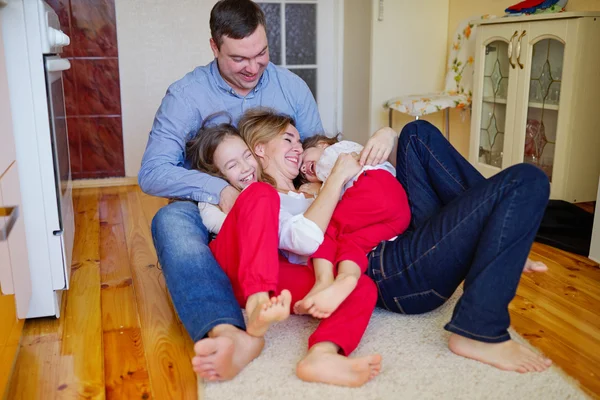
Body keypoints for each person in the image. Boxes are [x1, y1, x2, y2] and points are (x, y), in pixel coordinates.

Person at [139, 0, 394, 382]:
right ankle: (229, 330)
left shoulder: (290, 86)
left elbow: (314, 147)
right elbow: (152, 172)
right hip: (219, 215)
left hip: (285, 214)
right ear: (214, 47)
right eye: (240, 59)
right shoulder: (186, 95)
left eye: (262, 53)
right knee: (171, 219)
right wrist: (219, 189)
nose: (254, 67)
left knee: (357, 281)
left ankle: (323, 354)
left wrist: (318, 184)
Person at [185, 109, 382, 387]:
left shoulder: (315, 190)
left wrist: (387, 133)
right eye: (288, 140)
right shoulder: (253, 192)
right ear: (261, 149)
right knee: (260, 193)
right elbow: (303, 239)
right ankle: (257, 303)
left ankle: (322, 355)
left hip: (278, 273)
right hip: (239, 267)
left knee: (362, 286)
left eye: (299, 141)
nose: (298, 148)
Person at [292, 135, 411, 319]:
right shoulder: (361, 157)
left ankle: (323, 282)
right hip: (399, 211)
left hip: (371, 185)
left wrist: (318, 190)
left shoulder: (335, 154)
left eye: (304, 158)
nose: (303, 169)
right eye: (302, 173)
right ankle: (347, 277)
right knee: (351, 243)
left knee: (324, 231)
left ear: (323, 145)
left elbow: (331, 193)